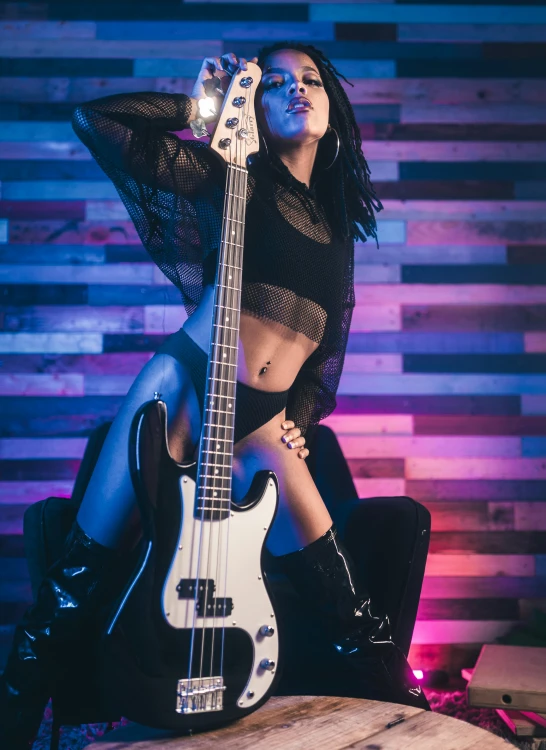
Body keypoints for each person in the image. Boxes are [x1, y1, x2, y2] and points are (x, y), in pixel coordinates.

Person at [0, 41, 430, 748]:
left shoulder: (336, 222)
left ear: (333, 106)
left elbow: (329, 340)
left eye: (311, 80)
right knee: (74, 582)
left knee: (345, 603)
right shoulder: (234, 179)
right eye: (276, 83)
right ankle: (12, 731)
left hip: (262, 424)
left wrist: (302, 415)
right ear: (254, 109)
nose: (297, 90)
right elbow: (96, 122)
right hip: (185, 385)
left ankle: (415, 726)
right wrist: (203, 114)